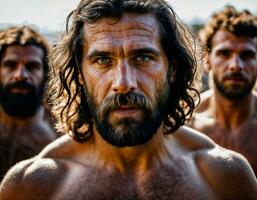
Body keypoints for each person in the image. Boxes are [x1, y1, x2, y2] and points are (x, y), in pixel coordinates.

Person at [1, 1, 257, 199]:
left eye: (143, 57)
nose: (123, 82)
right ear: (79, 74)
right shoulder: (33, 186)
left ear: (173, 69)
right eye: (102, 60)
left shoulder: (224, 176)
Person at [189, 6, 257, 176]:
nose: (236, 66)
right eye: (224, 53)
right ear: (207, 60)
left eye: (247, 55)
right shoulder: (187, 125)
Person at [0, 26, 57, 180]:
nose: (20, 75)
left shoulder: (61, 132)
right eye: (10, 65)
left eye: (32, 66)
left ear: (45, 74)